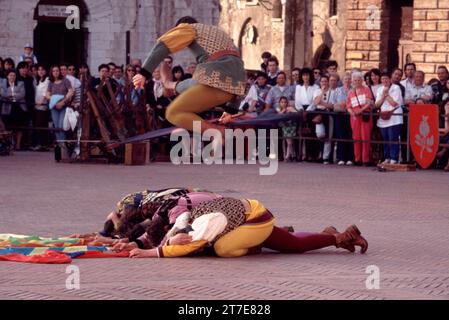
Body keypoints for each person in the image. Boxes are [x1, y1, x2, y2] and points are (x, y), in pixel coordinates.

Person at [113, 197, 368, 258]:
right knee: (294, 246)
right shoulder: (177, 217)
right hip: (245, 218)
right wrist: (147, 244)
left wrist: (153, 252)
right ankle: (331, 236)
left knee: (222, 248)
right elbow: (170, 234)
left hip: (254, 220)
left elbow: (191, 243)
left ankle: (339, 238)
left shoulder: (201, 224)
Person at [133, 16, 246, 135]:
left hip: (215, 85)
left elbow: (163, 45)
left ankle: (218, 132)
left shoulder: (188, 28)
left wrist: (143, 73)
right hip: (231, 92)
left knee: (173, 113)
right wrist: (230, 110)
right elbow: (239, 76)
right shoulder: (222, 36)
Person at [375, 72, 404, 165]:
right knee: (385, 138)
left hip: (394, 117)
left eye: (386, 79)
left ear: (390, 79)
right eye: (383, 79)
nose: (384, 81)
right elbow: (377, 104)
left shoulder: (396, 88)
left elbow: (394, 103)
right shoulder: (379, 89)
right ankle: (387, 157)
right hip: (383, 116)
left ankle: (394, 158)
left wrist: (387, 95)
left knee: (393, 138)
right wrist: (383, 96)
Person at [346, 71, 374, 166]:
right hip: (354, 117)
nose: (357, 82)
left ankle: (365, 159)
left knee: (365, 137)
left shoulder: (366, 89)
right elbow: (348, 106)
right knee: (356, 138)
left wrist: (361, 110)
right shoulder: (350, 92)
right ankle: (357, 159)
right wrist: (352, 113)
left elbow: (369, 102)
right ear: (352, 81)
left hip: (364, 116)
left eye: (358, 80)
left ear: (362, 80)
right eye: (355, 80)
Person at [46, 65, 74, 144]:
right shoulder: (51, 82)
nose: (55, 72)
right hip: (54, 107)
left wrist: (63, 102)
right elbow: (47, 94)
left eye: (57, 71)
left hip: (64, 106)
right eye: (54, 71)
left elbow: (71, 92)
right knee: (56, 127)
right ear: (51, 72)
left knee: (61, 125)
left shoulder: (65, 80)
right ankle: (59, 145)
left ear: (60, 72)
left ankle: (62, 146)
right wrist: (53, 100)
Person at [0, 69, 26, 150]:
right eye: (10, 75)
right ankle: (9, 144)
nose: (12, 77)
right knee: (8, 127)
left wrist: (10, 96)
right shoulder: (2, 84)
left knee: (19, 127)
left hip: (18, 107)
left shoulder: (21, 83)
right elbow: (3, 94)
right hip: (7, 108)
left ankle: (17, 145)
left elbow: (22, 94)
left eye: (14, 75)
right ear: (7, 76)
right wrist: (13, 94)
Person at [334, 72, 354, 166]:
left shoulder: (354, 90)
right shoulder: (338, 90)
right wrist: (342, 105)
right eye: (345, 79)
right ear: (342, 81)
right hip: (340, 115)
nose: (347, 81)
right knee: (340, 136)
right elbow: (334, 103)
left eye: (349, 79)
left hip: (350, 115)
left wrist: (346, 105)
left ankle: (350, 158)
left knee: (350, 136)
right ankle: (341, 157)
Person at [33, 65, 50, 151]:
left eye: (42, 69)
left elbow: (46, 92)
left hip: (42, 106)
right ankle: (41, 144)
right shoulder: (37, 80)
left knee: (41, 125)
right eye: (39, 70)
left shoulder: (47, 80)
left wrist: (41, 102)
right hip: (36, 106)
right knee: (38, 125)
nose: (40, 71)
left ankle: (42, 144)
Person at [278, 96, 298, 162]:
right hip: (285, 127)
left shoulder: (290, 108)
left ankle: (287, 156)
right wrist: (283, 111)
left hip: (292, 126)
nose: (283, 104)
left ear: (287, 103)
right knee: (289, 142)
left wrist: (291, 110)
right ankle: (293, 155)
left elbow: (297, 113)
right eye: (282, 102)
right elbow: (278, 116)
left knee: (290, 142)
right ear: (279, 103)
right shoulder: (278, 109)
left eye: (285, 102)